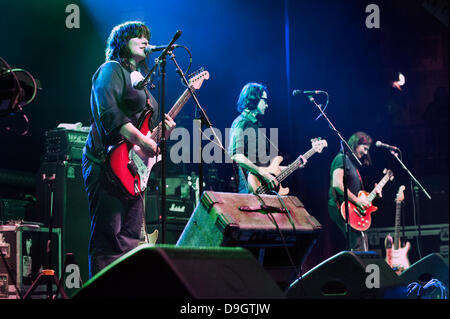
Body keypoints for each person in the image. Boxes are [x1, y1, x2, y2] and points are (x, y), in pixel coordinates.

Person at [82, 21, 176, 277]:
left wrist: (163, 132)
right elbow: (109, 114)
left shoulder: (141, 84)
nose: (145, 41)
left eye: (147, 36)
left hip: (132, 169)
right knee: (108, 237)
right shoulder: (110, 70)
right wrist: (144, 141)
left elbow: (148, 132)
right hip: (106, 161)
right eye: (138, 36)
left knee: (131, 238)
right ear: (122, 42)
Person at [328, 131, 380, 251]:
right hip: (341, 208)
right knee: (358, 245)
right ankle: (357, 269)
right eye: (365, 148)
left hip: (352, 210)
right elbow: (336, 184)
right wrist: (357, 201)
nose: (366, 153)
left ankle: (360, 269)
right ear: (356, 144)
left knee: (362, 245)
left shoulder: (351, 164)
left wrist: (374, 195)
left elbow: (358, 195)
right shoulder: (341, 159)